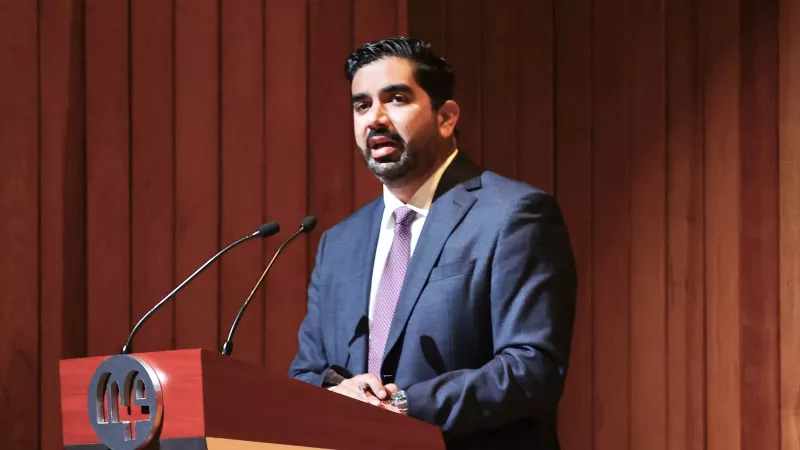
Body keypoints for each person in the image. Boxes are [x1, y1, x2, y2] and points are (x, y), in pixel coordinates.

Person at [288, 37, 577, 450]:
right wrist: (335, 398)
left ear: (446, 117)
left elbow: (532, 368)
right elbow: (305, 374)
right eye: (362, 105)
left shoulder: (514, 215)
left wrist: (403, 405)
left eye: (397, 99)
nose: (376, 118)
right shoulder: (339, 244)